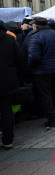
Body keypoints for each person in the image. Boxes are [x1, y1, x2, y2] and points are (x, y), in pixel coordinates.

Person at [28, 17, 55, 129]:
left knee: (46, 95)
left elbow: (34, 57)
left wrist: (30, 67)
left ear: (36, 26)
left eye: (33, 25)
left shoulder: (35, 37)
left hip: (43, 71)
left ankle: (52, 120)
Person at [0, 21, 22, 149]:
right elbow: (19, 58)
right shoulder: (9, 38)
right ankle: (8, 140)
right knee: (6, 110)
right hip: (7, 79)